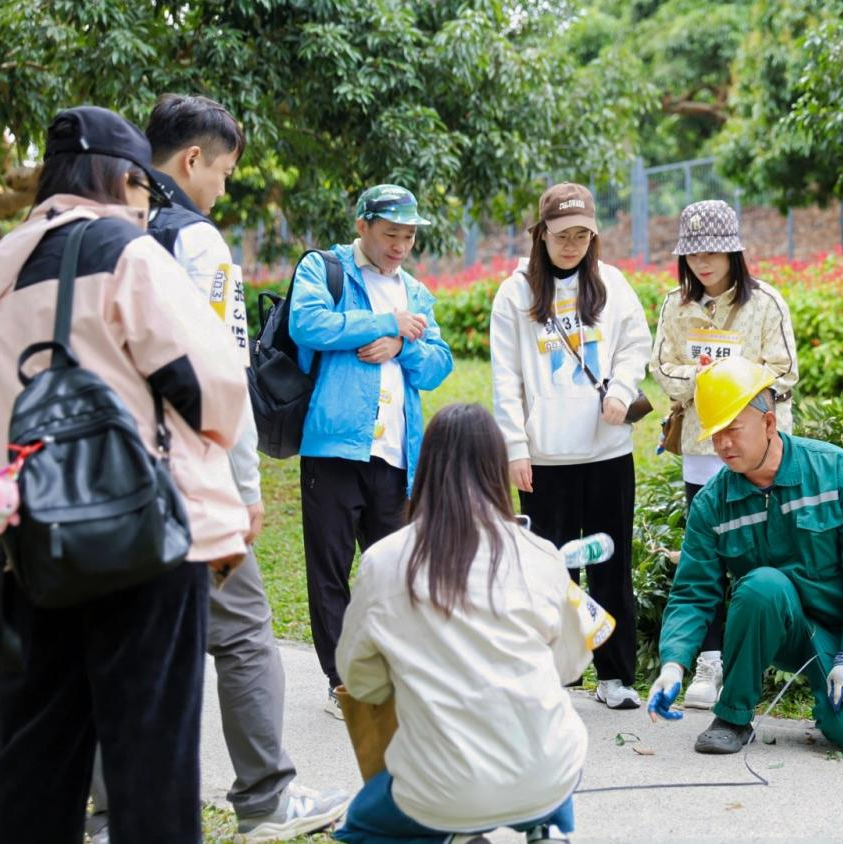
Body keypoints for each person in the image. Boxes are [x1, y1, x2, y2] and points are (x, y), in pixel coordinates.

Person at [0, 106, 250, 842]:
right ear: (124, 179)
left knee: (32, 767)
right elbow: (213, 387)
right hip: (142, 541)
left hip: (30, 551)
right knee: (152, 768)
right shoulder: (129, 253)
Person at [71, 93, 346, 842]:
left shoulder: (97, 230)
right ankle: (266, 798)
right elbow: (224, 373)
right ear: (193, 159)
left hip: (105, 475)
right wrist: (244, 487)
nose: (222, 189)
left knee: (121, 639)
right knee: (245, 630)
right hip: (190, 477)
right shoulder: (197, 242)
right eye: (223, 173)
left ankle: (107, 813)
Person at [336, 403, 606, 844]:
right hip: (546, 774)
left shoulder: (383, 562)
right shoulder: (540, 554)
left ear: (425, 470)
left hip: (441, 789)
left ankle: (457, 833)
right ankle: (548, 828)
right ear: (497, 471)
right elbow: (568, 666)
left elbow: (359, 679)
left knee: (361, 826)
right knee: (547, 752)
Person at [646, 358, 843, 756]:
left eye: (733, 430)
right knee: (763, 585)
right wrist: (673, 664)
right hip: (779, 630)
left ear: (768, 423)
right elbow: (693, 592)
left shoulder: (836, 471)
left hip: (841, 630)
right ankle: (733, 715)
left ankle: (831, 699)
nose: (723, 445)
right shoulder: (713, 503)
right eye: (715, 434)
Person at [289, 185, 454, 716]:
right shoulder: (325, 269)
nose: (400, 247)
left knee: (395, 574)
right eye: (390, 235)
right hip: (333, 448)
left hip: (396, 455)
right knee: (330, 570)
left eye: (409, 237)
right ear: (362, 226)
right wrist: (387, 322)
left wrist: (402, 346)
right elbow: (307, 323)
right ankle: (343, 683)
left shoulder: (415, 292)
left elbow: (439, 364)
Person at [490, 182, 652, 709]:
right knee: (550, 571)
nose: (571, 245)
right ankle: (557, 673)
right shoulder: (515, 294)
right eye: (562, 235)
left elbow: (636, 343)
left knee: (610, 564)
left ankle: (615, 676)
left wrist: (622, 391)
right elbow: (505, 379)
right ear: (541, 234)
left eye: (582, 235)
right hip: (545, 457)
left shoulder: (611, 284)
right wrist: (515, 447)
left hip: (607, 452)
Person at [650, 199, 799, 710]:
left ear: (734, 251)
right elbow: (662, 368)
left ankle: (767, 655)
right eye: (694, 254)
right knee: (707, 557)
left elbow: (785, 371)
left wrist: (733, 383)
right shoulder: (675, 306)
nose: (703, 263)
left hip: (761, 451)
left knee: (766, 551)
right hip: (701, 446)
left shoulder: (766, 303)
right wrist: (704, 381)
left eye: (713, 252)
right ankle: (709, 660)